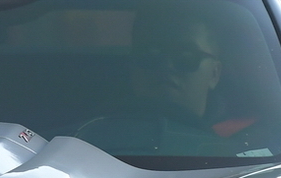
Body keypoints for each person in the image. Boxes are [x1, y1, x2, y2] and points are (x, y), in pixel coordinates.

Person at [78, 8, 257, 159]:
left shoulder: (249, 147)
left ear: (215, 73)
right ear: (132, 65)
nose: (167, 66)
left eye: (186, 57)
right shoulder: (82, 142)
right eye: (150, 55)